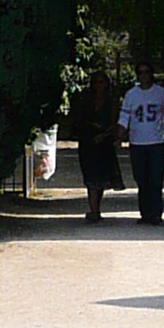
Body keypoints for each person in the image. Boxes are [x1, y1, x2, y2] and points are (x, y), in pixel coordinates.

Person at [119, 60, 164, 224]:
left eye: (147, 72)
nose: (144, 76)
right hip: (137, 143)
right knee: (141, 179)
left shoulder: (160, 93)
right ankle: (145, 213)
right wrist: (119, 136)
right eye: (140, 72)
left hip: (156, 142)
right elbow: (124, 118)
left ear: (151, 74)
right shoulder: (131, 95)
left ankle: (156, 213)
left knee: (155, 179)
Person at [72, 67, 124, 224]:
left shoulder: (112, 102)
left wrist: (105, 134)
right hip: (87, 142)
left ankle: (96, 209)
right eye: (95, 82)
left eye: (102, 82)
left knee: (100, 177)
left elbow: (115, 122)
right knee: (90, 176)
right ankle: (94, 211)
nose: (98, 85)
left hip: (105, 143)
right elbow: (77, 121)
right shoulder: (84, 100)